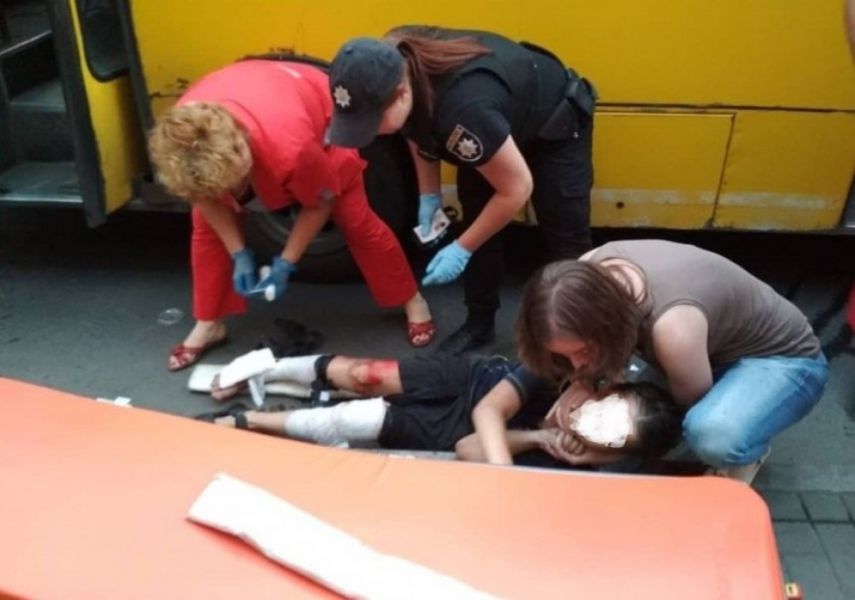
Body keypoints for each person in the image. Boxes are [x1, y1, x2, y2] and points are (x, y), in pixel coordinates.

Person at [147, 58, 435, 371]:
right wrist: (238, 252)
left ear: (243, 150)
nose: (233, 195)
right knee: (206, 229)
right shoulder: (181, 136)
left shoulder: (292, 148)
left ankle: (411, 298)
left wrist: (286, 262)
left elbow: (320, 203)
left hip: (309, 110)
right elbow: (203, 198)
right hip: (256, 93)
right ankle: (209, 322)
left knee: (357, 221)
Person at [327, 26, 595, 354]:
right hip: (494, 121)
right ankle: (479, 323)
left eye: (372, 121)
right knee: (478, 221)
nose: (372, 133)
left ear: (401, 92)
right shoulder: (393, 61)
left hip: (552, 125)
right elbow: (416, 131)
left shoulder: (463, 110)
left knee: (566, 242)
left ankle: (582, 339)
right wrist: (429, 195)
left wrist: (461, 248)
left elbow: (516, 188)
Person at [506, 239, 828, 481]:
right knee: (623, 423)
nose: (576, 365)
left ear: (609, 327)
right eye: (566, 355)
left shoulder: (672, 330)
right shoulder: (582, 277)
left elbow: (683, 415)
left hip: (785, 362)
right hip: (705, 349)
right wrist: (584, 382)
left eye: (583, 352)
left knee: (709, 434)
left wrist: (604, 453)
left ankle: (749, 445)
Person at [200, 350, 682, 466]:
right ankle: (273, 365)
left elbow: (468, 448)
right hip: (473, 382)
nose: (582, 422)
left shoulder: (569, 461)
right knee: (367, 376)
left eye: (605, 434)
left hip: (454, 428)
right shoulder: (559, 371)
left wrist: (539, 439)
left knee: (354, 419)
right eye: (600, 409)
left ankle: (250, 420)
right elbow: (491, 409)